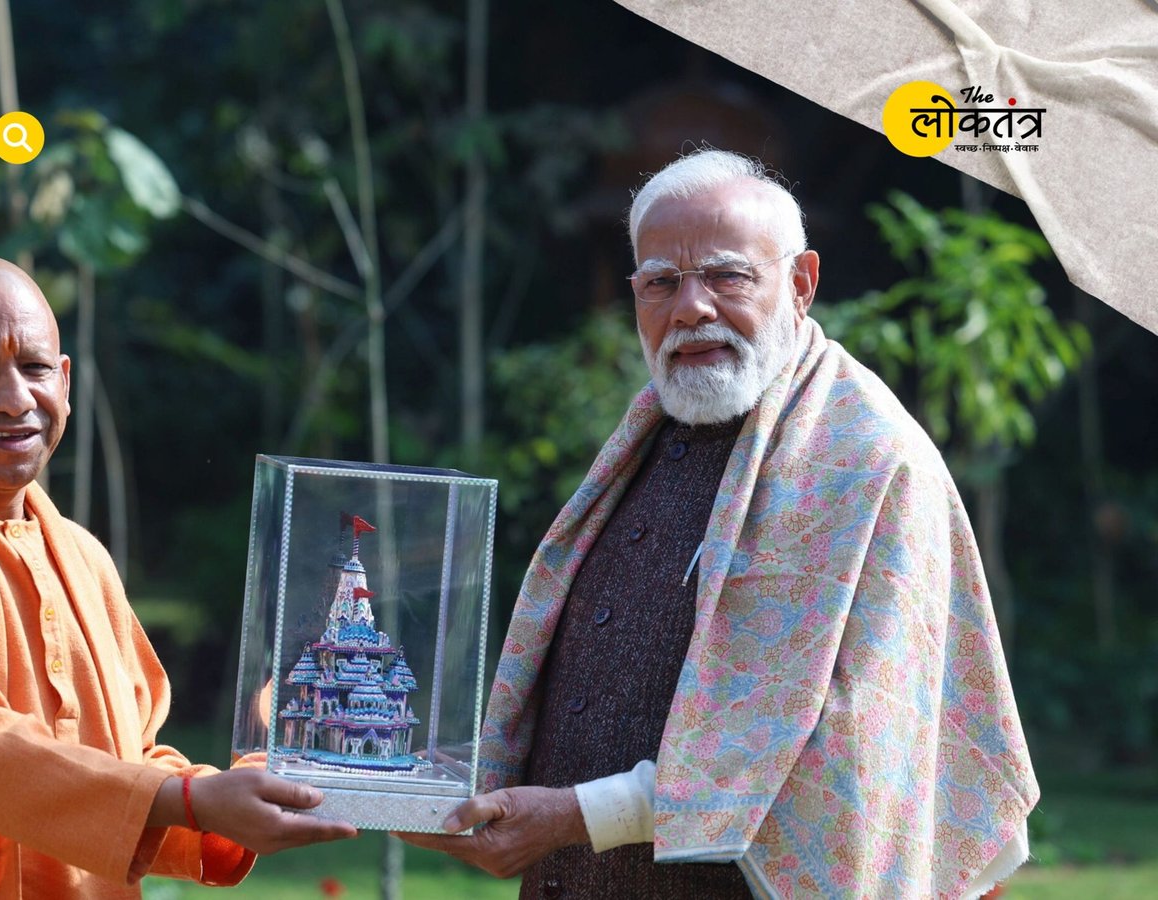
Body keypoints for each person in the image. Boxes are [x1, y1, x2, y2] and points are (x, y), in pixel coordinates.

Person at [402, 150, 1038, 899]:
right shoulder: (646, 438)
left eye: (728, 276)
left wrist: (579, 815)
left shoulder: (872, 462)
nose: (690, 308)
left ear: (800, 284)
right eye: (660, 283)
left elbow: (852, 742)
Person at [0, 255, 355, 900]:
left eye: (35, 368)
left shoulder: (81, 557)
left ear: (67, 382)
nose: (14, 399)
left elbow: (130, 762)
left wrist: (269, 790)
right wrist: (189, 801)